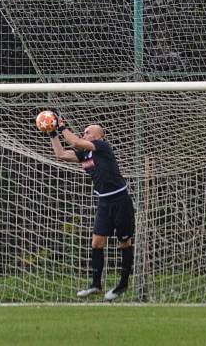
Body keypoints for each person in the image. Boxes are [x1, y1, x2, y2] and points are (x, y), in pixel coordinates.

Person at [47, 111, 135, 301]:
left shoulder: (102, 147)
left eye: (88, 132)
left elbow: (77, 142)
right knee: (96, 242)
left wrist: (62, 126)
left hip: (120, 200)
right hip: (104, 202)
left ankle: (123, 283)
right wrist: (52, 132)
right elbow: (61, 154)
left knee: (124, 242)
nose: (84, 133)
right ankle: (96, 284)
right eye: (84, 132)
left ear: (98, 136)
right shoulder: (84, 153)